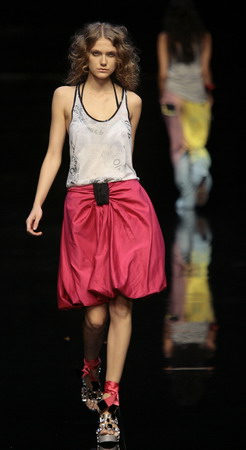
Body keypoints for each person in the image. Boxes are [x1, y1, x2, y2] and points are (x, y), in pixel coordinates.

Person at [26, 21, 166, 447]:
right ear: (83, 57)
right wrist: (38, 202)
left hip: (127, 204)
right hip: (82, 206)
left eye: (111, 55)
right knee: (94, 314)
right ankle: (91, 365)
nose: (104, 61)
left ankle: (111, 406)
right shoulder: (65, 97)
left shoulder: (134, 102)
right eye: (97, 54)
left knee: (122, 305)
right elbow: (55, 153)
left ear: (120, 59)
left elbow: (125, 159)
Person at [157, 0, 215, 212]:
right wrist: (208, 94)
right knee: (197, 144)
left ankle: (187, 198)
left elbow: (163, 73)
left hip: (173, 97)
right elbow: (205, 72)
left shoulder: (166, 38)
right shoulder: (204, 37)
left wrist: (162, 95)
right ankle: (200, 174)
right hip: (198, 97)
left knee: (178, 147)